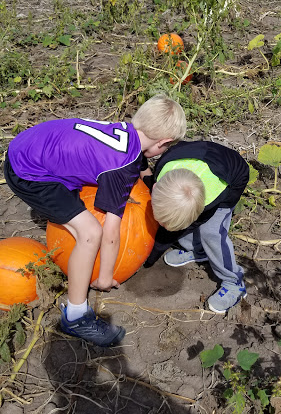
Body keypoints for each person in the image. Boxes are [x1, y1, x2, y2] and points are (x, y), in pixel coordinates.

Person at [4, 94, 186, 346]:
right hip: (28, 173)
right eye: (167, 147)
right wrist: (105, 277)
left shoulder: (125, 132)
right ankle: (76, 317)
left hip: (27, 144)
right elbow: (110, 232)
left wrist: (150, 182)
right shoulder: (120, 168)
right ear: (163, 143)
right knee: (90, 233)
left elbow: (140, 160)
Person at [144, 141, 250, 314]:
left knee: (212, 232)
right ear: (156, 188)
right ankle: (197, 250)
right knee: (182, 223)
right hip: (197, 155)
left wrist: (156, 250)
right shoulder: (162, 171)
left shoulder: (214, 195)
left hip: (231, 177)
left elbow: (196, 221)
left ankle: (234, 282)